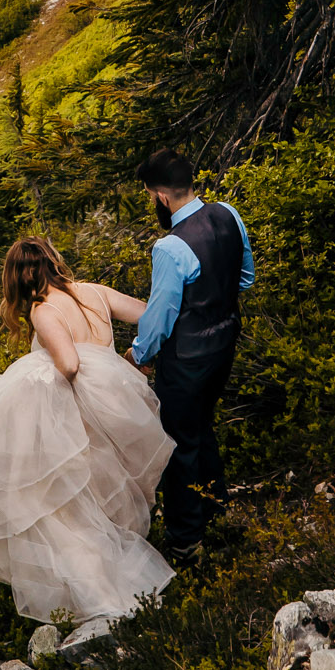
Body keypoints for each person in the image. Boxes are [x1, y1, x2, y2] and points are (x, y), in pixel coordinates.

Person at [0, 236, 174, 624]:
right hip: (116, 409)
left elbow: (68, 364)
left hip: (77, 417)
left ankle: (104, 603)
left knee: (69, 513)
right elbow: (148, 313)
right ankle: (131, 598)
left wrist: (37, 378)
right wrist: (129, 356)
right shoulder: (93, 292)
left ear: (16, 278)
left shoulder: (44, 311)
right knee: (97, 510)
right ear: (52, 261)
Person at [129, 147, 253, 565]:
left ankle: (186, 543)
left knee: (178, 448)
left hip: (186, 363)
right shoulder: (228, 214)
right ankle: (215, 511)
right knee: (202, 428)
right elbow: (246, 277)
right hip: (225, 346)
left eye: (150, 196)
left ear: (161, 197)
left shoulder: (170, 248)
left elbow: (160, 319)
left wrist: (138, 354)